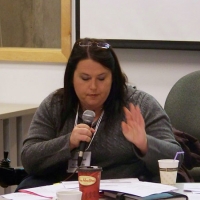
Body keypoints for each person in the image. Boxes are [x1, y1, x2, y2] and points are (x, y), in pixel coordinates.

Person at [16, 38, 183, 190]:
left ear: (113, 78)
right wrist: (68, 142)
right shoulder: (55, 104)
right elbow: (29, 159)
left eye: (102, 78)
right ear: (71, 78)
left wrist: (146, 144)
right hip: (64, 191)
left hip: (121, 193)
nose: (94, 87)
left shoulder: (139, 104)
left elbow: (177, 156)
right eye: (85, 78)